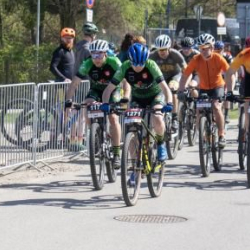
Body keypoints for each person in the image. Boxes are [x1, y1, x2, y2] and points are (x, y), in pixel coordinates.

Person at [102, 44, 173, 182]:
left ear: (146, 60)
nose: (138, 67)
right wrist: (105, 103)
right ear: (130, 61)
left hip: (155, 96)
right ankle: (135, 168)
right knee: (132, 129)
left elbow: (165, 88)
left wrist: (169, 103)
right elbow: (108, 89)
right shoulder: (125, 67)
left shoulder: (152, 65)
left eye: (141, 64)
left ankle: (160, 143)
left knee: (157, 117)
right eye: (135, 64)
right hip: (137, 98)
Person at [66, 39, 126, 168]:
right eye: (93, 55)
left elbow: (125, 82)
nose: (96, 58)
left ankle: (116, 153)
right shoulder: (87, 64)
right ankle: (95, 134)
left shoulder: (114, 62)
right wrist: (68, 101)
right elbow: (74, 84)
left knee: (113, 118)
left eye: (99, 55)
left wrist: (125, 99)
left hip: (113, 90)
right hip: (96, 90)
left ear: (105, 54)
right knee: (86, 105)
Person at [178, 33, 230, 149]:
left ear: (212, 47)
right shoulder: (196, 59)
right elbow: (185, 75)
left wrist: (230, 90)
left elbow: (229, 73)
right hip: (204, 87)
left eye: (206, 49)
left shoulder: (218, 58)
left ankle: (221, 135)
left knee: (216, 107)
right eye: (201, 49)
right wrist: (181, 90)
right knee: (199, 110)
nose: (204, 51)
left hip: (218, 87)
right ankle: (203, 135)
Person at [150, 34, 187, 131]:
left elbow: (186, 69)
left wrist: (184, 83)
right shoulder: (152, 55)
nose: (161, 52)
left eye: (164, 49)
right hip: (161, 78)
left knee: (172, 89)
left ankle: (174, 117)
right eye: (159, 50)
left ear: (169, 48)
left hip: (175, 75)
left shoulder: (175, 54)